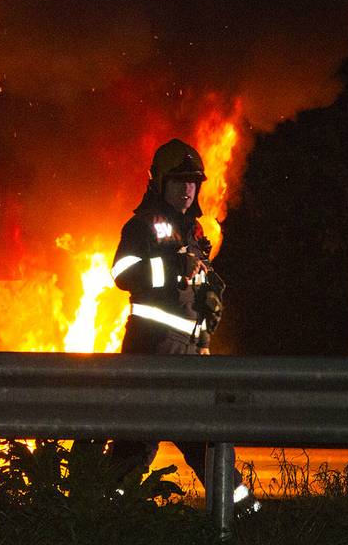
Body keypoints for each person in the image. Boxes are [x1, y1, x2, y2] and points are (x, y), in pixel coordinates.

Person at [103, 138, 258, 513]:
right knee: (192, 437)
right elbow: (121, 273)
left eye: (193, 182)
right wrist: (169, 268)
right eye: (179, 181)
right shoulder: (141, 226)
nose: (187, 190)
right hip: (152, 348)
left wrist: (210, 299)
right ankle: (243, 511)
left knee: (138, 440)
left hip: (190, 352)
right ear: (160, 182)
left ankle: (101, 507)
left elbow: (192, 287)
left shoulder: (196, 233)